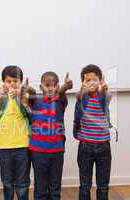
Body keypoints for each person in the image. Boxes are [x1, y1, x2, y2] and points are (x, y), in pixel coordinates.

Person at [28, 71, 73, 200]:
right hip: (37, 151)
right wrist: (29, 89)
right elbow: (28, 94)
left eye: (53, 85)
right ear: (41, 87)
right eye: (47, 85)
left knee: (55, 187)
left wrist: (65, 87)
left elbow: (62, 92)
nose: (50, 88)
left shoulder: (60, 101)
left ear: (57, 87)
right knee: (40, 188)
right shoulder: (35, 100)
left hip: (56, 151)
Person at [0, 65, 31, 200]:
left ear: (20, 82)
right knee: (7, 182)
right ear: (4, 83)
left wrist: (22, 98)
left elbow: (30, 112)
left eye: (16, 81)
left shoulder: (25, 96)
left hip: (23, 146)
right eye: (9, 81)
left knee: (22, 183)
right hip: (4, 147)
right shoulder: (0, 97)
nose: (12, 84)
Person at [74, 64, 113, 200]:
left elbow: (107, 95)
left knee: (103, 185)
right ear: (83, 83)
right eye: (88, 80)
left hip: (104, 147)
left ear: (100, 80)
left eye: (94, 79)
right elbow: (79, 99)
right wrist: (82, 91)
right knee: (85, 185)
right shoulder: (81, 98)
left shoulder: (104, 97)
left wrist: (104, 87)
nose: (91, 82)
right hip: (86, 147)